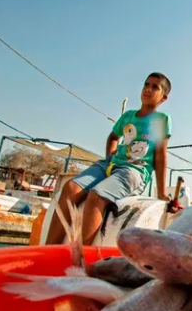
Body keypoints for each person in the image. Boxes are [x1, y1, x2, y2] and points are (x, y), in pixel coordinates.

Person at [45, 72, 177, 246]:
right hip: (110, 165)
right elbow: (113, 137)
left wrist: (161, 193)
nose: (148, 89)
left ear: (163, 97)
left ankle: (83, 256)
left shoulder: (161, 120)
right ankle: (48, 250)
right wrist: (111, 156)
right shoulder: (128, 116)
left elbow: (160, 155)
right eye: (146, 84)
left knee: (96, 196)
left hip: (134, 171)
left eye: (155, 87)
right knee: (70, 188)